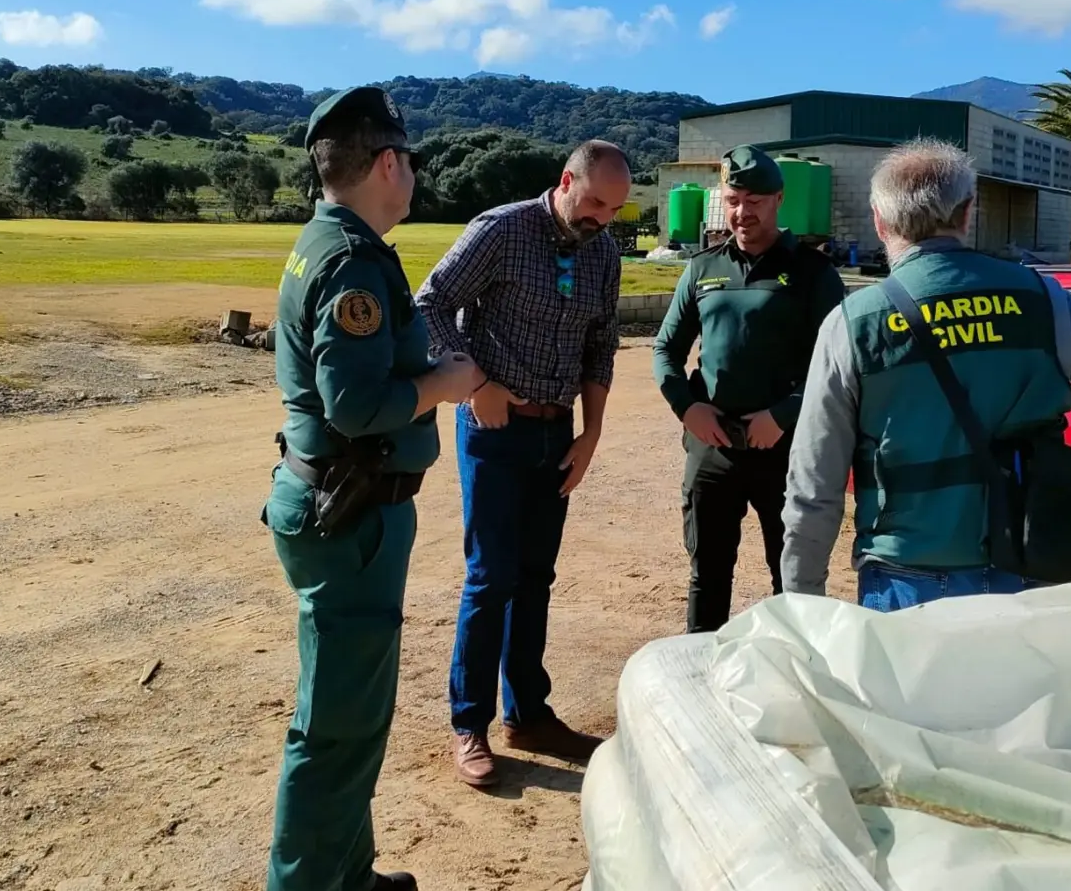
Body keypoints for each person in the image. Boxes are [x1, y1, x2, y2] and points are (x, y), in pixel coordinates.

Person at [780, 140, 1071, 610]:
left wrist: (802, 603)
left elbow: (813, 484)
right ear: (967, 212)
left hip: (909, 579)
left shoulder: (854, 323)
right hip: (1036, 567)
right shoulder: (1043, 300)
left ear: (878, 220)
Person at [261, 87, 483, 891]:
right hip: (349, 516)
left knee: (354, 717)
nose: (413, 178)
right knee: (336, 728)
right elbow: (355, 404)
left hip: (341, 507)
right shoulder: (352, 257)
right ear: (387, 163)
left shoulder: (327, 240)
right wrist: (445, 384)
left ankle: (345, 873)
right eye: (410, 163)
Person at [414, 140, 631, 788]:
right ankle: (470, 724)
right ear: (566, 181)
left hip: (556, 431)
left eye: (615, 209)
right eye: (594, 201)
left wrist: (591, 434)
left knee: (536, 576)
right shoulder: (503, 230)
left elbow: (601, 344)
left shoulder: (605, 253)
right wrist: (476, 384)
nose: (601, 218)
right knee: (492, 577)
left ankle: (528, 713)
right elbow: (429, 303)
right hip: (494, 428)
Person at [652, 146, 846, 633]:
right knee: (708, 575)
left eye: (755, 200)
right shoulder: (702, 268)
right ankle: (701, 677)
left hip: (785, 449)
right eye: (734, 199)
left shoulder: (813, 273)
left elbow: (838, 366)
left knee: (792, 580)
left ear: (779, 199)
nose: (743, 212)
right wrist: (688, 409)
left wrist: (782, 415)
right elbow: (665, 351)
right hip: (712, 449)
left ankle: (795, 683)